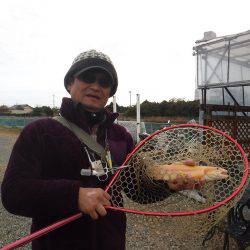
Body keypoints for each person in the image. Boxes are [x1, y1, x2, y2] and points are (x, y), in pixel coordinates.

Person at [1, 50, 203, 250]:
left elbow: (137, 190)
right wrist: (73, 196)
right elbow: (13, 193)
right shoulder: (40, 132)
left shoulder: (120, 136)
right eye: (88, 77)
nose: (96, 86)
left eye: (104, 82)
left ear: (110, 92)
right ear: (70, 83)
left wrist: (169, 185)